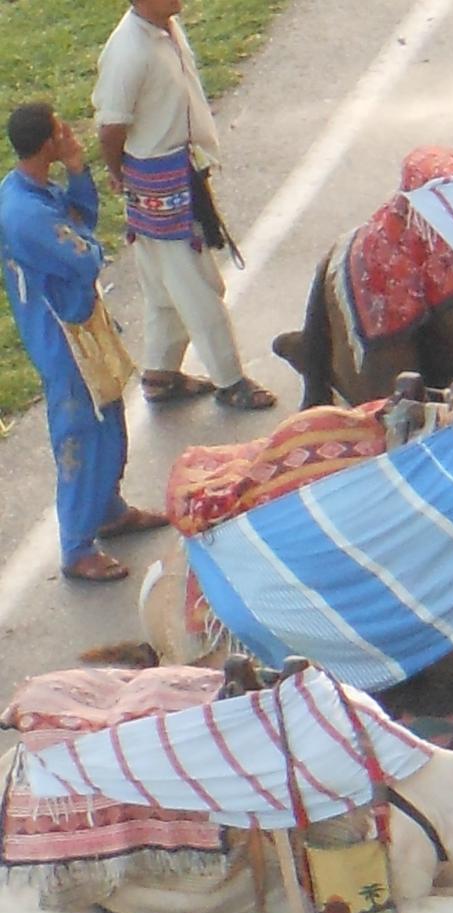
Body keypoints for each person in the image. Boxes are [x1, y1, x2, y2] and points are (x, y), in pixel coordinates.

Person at [0, 103, 169, 582]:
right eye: (61, 133)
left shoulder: (33, 191)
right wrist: (85, 238)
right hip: (63, 341)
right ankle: (76, 547)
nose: (68, 135)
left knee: (110, 416)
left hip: (83, 327)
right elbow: (88, 256)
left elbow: (85, 219)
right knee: (78, 434)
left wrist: (77, 170)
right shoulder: (24, 215)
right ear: (46, 143)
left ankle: (109, 509)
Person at [92, 0, 277, 410]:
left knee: (163, 284)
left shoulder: (165, 30)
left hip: (174, 175)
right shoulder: (129, 51)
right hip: (163, 181)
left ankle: (160, 373)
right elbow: (111, 126)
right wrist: (118, 173)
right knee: (198, 286)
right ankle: (230, 381)